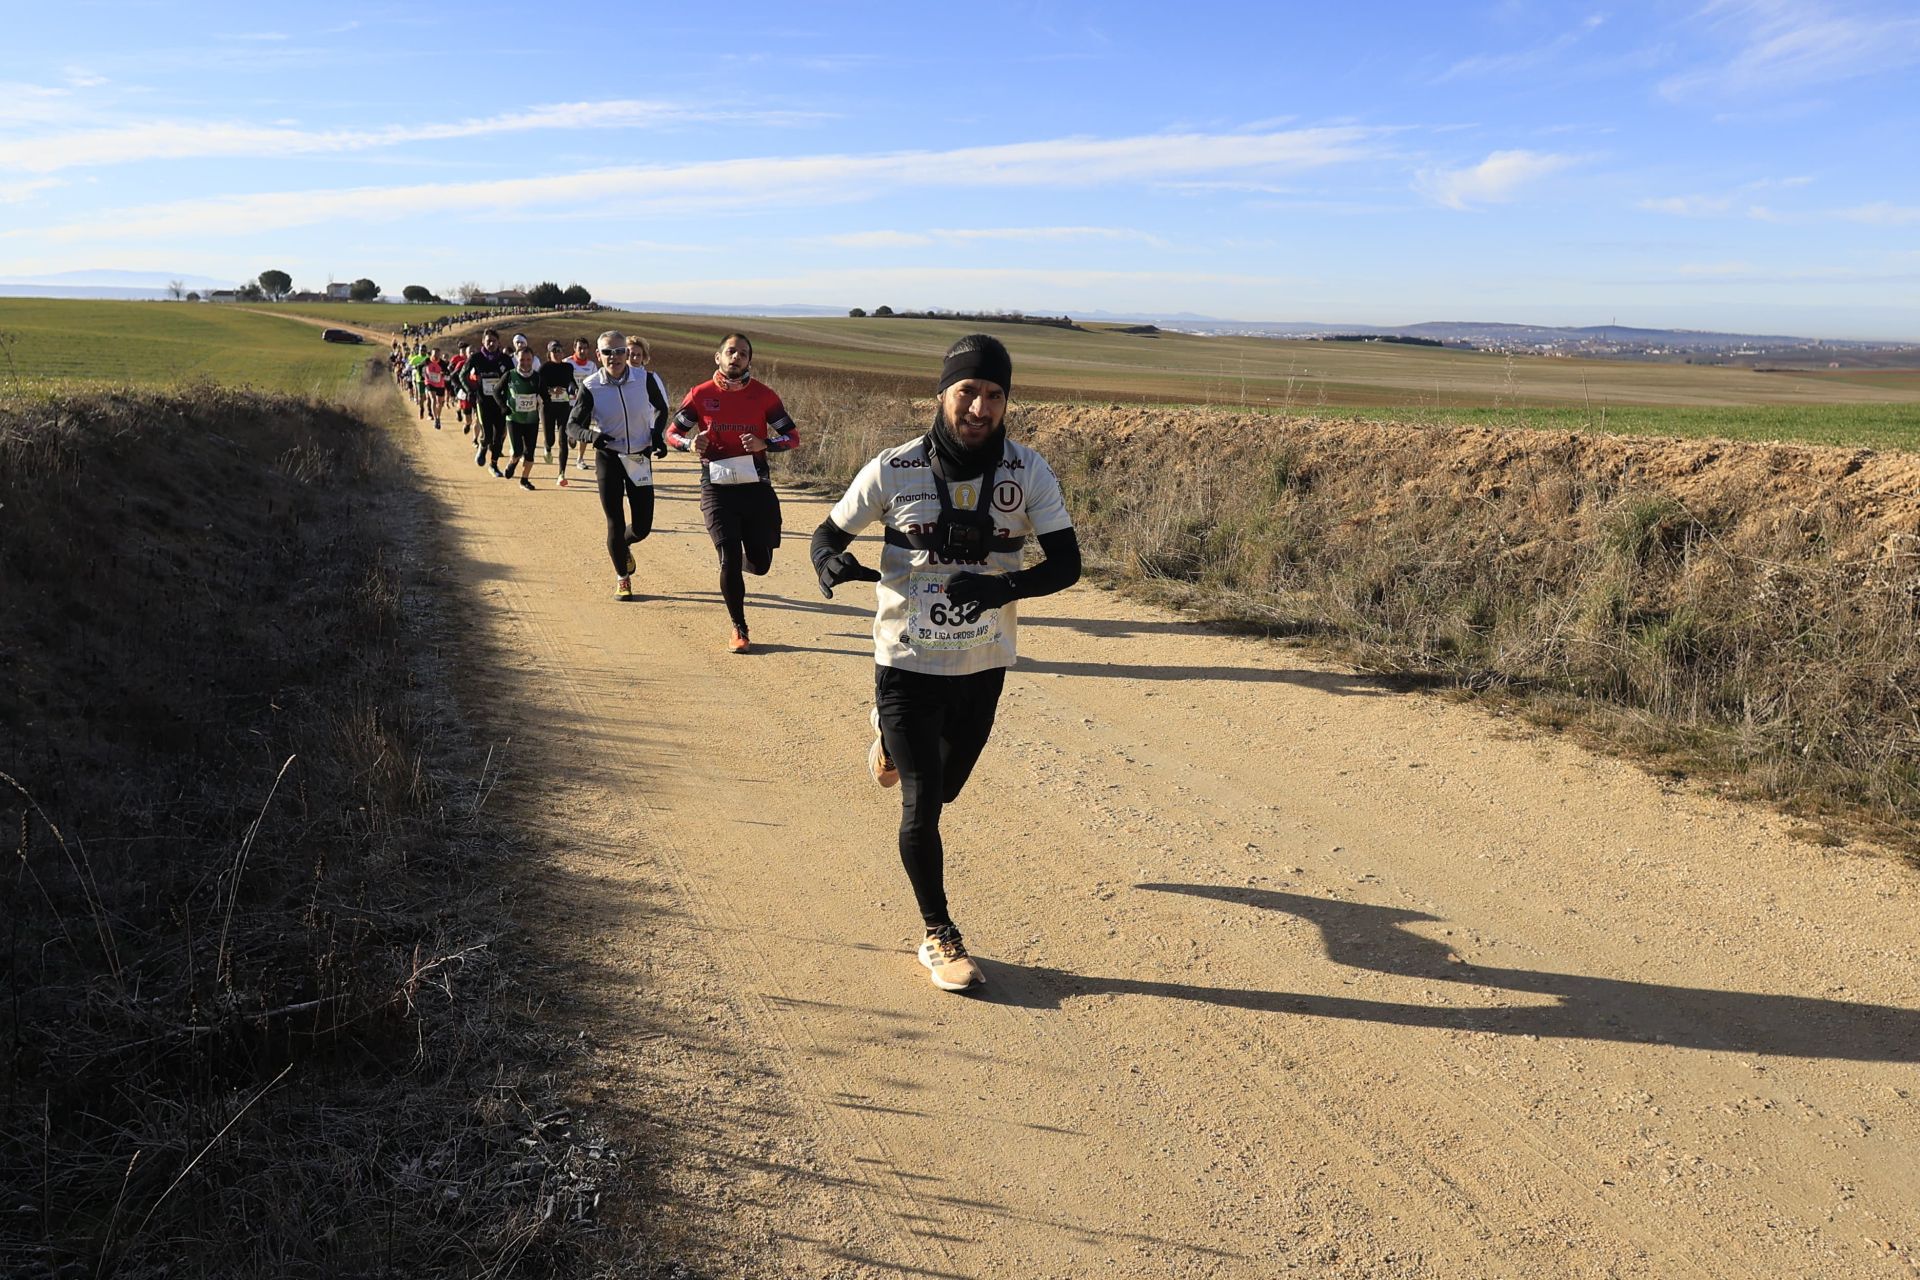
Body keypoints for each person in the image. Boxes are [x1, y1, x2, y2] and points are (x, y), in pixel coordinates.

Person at [809, 334, 1080, 992]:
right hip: (904, 660)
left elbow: (1068, 564)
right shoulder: (894, 468)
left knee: (948, 786)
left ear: (1007, 401)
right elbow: (826, 534)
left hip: (982, 663)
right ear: (942, 395)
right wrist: (829, 564)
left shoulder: (1028, 472)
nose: (980, 408)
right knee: (923, 804)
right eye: (968, 392)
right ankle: (939, 934)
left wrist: (1003, 587)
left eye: (994, 395)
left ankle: (888, 747)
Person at [664, 333, 798, 653]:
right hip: (716, 487)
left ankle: (743, 560)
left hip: (755, 487)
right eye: (730, 351)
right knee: (728, 557)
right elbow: (672, 433)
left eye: (742, 353)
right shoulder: (701, 395)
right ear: (718, 357)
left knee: (761, 562)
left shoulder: (764, 396)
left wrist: (767, 444)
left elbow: (792, 436)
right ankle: (739, 628)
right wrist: (689, 444)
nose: (736, 357)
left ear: (749, 361)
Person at [567, 330, 670, 600]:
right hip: (609, 458)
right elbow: (572, 425)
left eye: (619, 350)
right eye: (607, 352)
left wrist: (656, 434)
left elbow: (661, 409)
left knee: (642, 527)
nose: (614, 357)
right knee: (615, 521)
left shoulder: (644, 379)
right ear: (598, 356)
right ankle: (622, 579)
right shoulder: (590, 385)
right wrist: (592, 437)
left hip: (638, 457)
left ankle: (621, 547)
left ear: (627, 352)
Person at [493, 344, 546, 491]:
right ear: (517, 359)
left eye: (529, 360)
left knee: (530, 453)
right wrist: (504, 407)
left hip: (532, 420)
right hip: (514, 419)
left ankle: (524, 480)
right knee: (517, 450)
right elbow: (496, 391)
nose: (526, 363)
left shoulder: (537, 377)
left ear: (532, 360)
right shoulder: (510, 375)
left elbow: (545, 396)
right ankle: (512, 462)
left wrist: (545, 403)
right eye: (522, 360)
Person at [462, 329, 514, 473]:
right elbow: (461, 375)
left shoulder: (505, 359)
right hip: (482, 401)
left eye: (494, 341)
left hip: (501, 403)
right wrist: (470, 390)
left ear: (499, 343)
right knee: (488, 436)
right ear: (483, 342)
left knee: (499, 436)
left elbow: (513, 379)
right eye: (488, 341)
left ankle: (494, 464)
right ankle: (483, 446)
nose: (491, 344)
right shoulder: (476, 358)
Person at [538, 340, 578, 484]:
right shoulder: (544, 368)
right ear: (549, 353)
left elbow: (571, 382)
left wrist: (575, 389)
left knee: (563, 440)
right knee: (551, 439)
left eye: (560, 350)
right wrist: (551, 390)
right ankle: (547, 447)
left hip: (563, 406)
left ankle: (561, 474)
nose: (558, 353)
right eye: (554, 351)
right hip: (547, 407)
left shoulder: (568, 367)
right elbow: (539, 386)